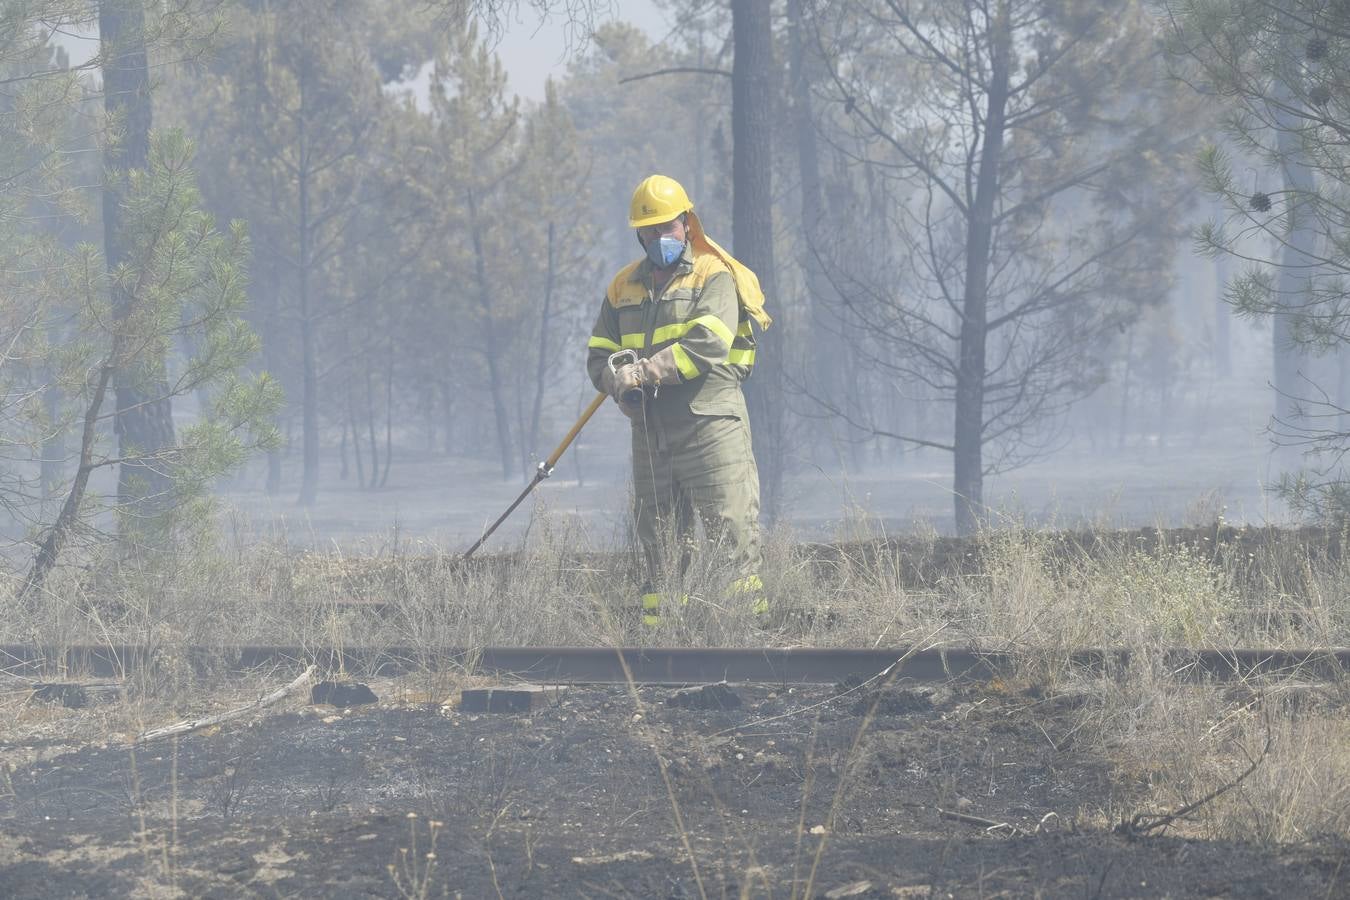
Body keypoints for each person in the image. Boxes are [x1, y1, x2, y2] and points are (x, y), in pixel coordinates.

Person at [586, 175, 770, 627]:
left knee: (732, 531)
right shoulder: (622, 287)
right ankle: (662, 638)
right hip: (650, 430)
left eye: (665, 227)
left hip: (711, 425)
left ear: (687, 223)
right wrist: (615, 379)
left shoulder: (715, 275)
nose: (657, 237)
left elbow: (708, 343)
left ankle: (746, 636)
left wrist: (644, 371)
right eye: (648, 230)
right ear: (638, 234)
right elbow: (597, 354)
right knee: (659, 540)